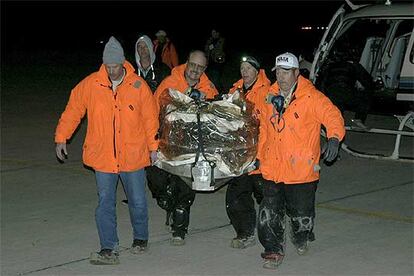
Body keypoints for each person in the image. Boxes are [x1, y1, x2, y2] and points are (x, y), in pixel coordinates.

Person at [54, 36, 159, 265]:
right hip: (103, 157)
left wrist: (154, 147)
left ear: (123, 62)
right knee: (105, 202)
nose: (112, 71)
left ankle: (140, 239)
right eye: (108, 66)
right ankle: (108, 248)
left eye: (115, 66)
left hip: (133, 155)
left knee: (138, 201)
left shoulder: (138, 86)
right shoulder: (91, 84)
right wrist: (62, 137)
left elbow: (151, 119)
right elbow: (73, 111)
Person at [256, 52, 345, 269]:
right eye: (278, 71)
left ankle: (301, 236)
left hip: (301, 171)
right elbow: (265, 130)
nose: (281, 76)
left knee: (301, 215)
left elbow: (333, 116)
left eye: (286, 71)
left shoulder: (311, 97)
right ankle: (272, 250)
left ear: (296, 73)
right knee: (269, 212)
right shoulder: (269, 96)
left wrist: (334, 138)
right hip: (273, 166)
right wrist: (259, 157)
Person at [149, 50, 218, 246]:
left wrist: (205, 102)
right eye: (193, 65)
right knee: (156, 180)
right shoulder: (170, 83)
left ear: (204, 69)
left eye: (200, 67)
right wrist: (152, 144)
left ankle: (179, 229)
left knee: (186, 187)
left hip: (192, 147)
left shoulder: (208, 88)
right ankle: (168, 203)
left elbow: (215, 118)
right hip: (165, 142)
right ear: (186, 63)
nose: (195, 70)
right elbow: (152, 113)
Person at [225, 56, 270, 249]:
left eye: (249, 68)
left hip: (261, 158)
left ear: (257, 71)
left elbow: (269, 127)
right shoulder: (234, 91)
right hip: (240, 157)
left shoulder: (268, 92)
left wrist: (260, 156)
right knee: (235, 198)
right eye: (242, 68)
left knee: (269, 200)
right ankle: (245, 233)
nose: (245, 71)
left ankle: (273, 238)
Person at [318, 45, 375, 130]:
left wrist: (323, 97)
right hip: (345, 91)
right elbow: (367, 80)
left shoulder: (329, 66)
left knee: (337, 113)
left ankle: (331, 128)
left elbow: (322, 82)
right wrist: (367, 88)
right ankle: (358, 119)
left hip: (331, 93)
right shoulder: (353, 65)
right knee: (365, 97)